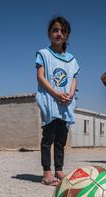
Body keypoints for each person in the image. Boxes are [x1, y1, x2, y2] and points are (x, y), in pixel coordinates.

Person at [35, 16, 80, 186]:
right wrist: (55, 94)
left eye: (62, 31)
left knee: (61, 139)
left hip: (65, 103)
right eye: (55, 30)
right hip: (50, 101)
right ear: (49, 33)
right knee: (48, 138)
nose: (58, 33)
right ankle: (47, 172)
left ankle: (59, 170)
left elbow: (73, 78)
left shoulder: (72, 59)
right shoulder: (43, 54)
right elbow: (40, 77)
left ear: (67, 35)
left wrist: (70, 93)